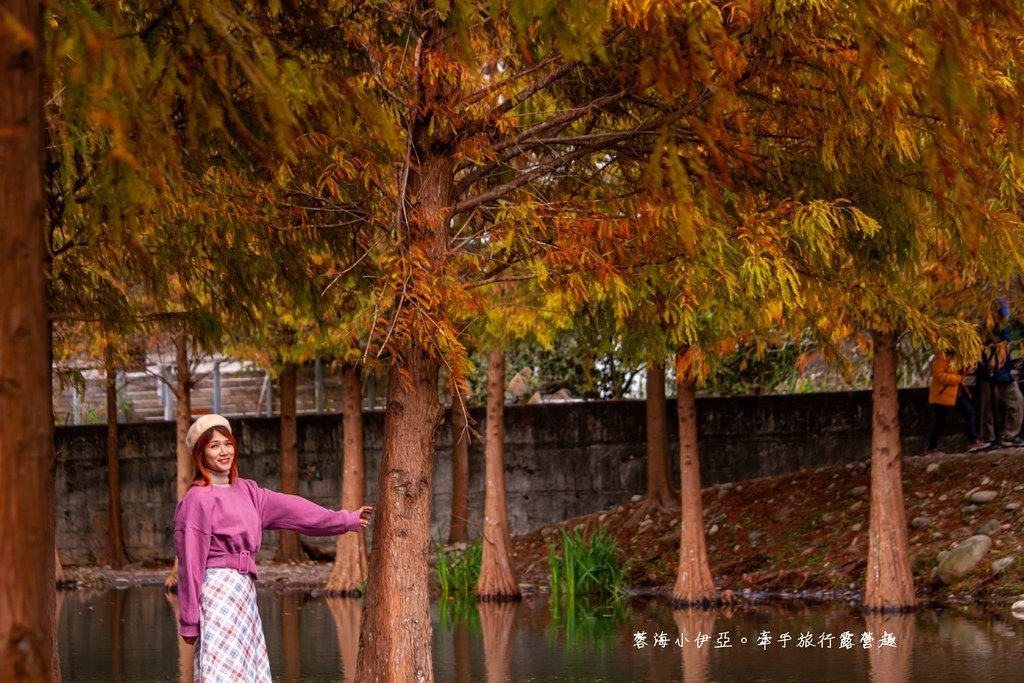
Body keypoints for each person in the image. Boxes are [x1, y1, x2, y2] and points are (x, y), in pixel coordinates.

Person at [174, 414, 372, 681]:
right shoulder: (197, 498)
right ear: (201, 453)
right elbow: (190, 562)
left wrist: (344, 519)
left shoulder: (248, 491)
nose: (224, 451)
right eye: (214, 446)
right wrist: (189, 620)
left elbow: (295, 510)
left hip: (243, 589)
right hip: (217, 590)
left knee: (247, 670)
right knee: (222, 671)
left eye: (228, 443)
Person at [977, 298, 1024, 448]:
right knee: (988, 409)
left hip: (1005, 374)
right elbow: (981, 350)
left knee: (1017, 402)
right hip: (989, 376)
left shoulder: (1004, 328)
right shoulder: (985, 328)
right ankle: (988, 439)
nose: (1006, 311)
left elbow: (1006, 348)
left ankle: (1010, 435)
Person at [925, 345, 988, 455]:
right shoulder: (944, 355)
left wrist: (970, 361)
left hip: (955, 393)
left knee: (969, 412)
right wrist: (957, 379)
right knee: (939, 421)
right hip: (943, 394)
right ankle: (931, 448)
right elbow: (938, 374)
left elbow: (963, 371)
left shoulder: (958, 357)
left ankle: (973, 441)